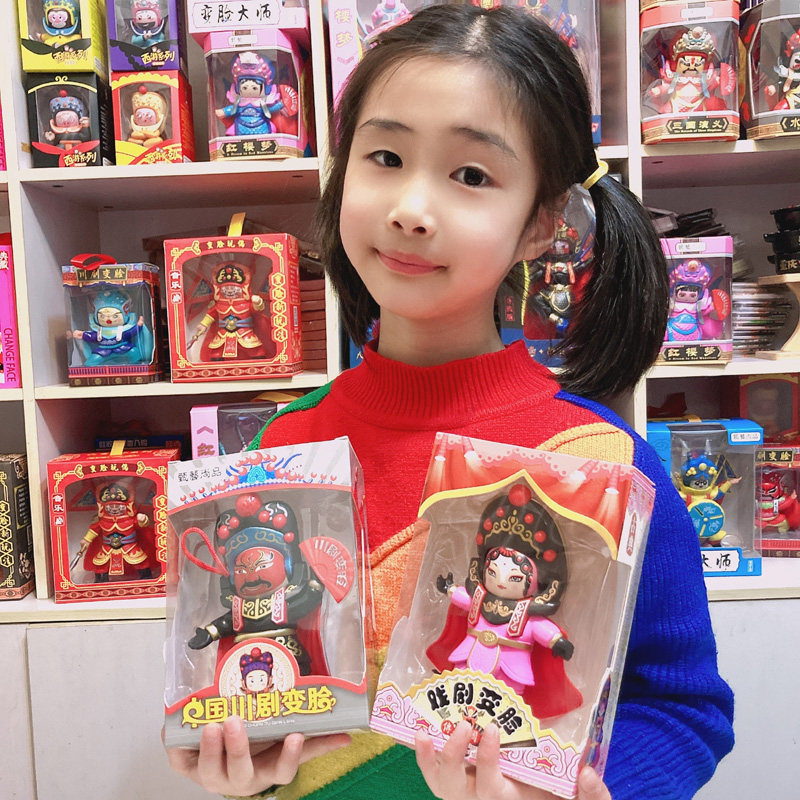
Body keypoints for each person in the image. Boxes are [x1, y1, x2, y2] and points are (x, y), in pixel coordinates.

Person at [166, 6, 734, 800]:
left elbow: (682, 709)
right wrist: (246, 772)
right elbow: (273, 686)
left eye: (471, 175)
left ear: (541, 223)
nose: (410, 208)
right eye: (385, 156)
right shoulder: (286, 442)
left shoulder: (602, 462)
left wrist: (585, 791)